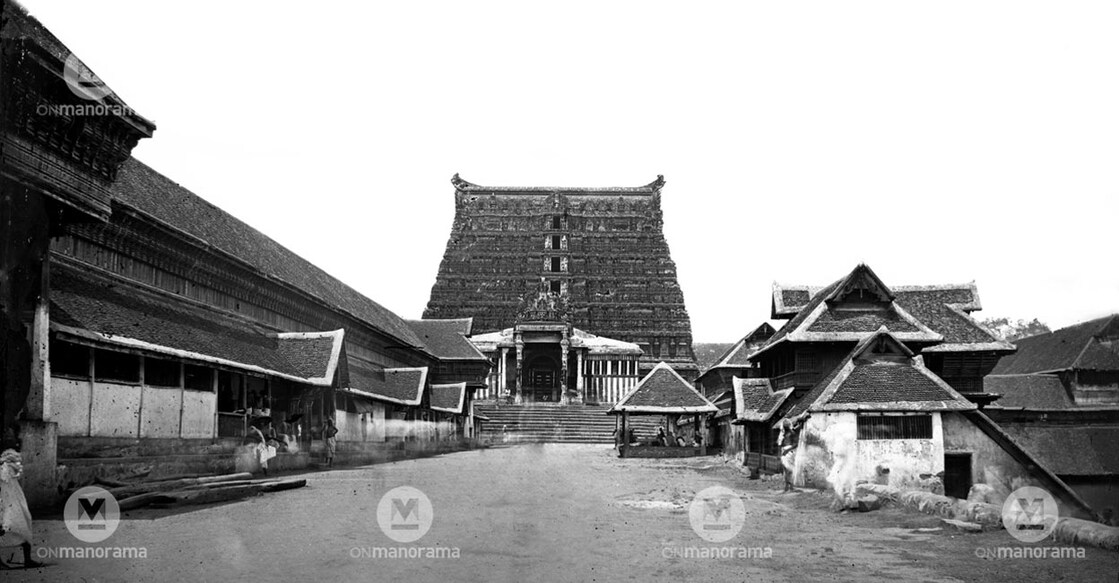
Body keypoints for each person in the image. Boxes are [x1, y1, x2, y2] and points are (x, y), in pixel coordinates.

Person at [0, 450, 42, 570]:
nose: (19, 465)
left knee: (24, 527)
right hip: (7, 504)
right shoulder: (4, 470)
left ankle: (28, 560)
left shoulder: (11, 471)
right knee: (8, 527)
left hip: (16, 502)